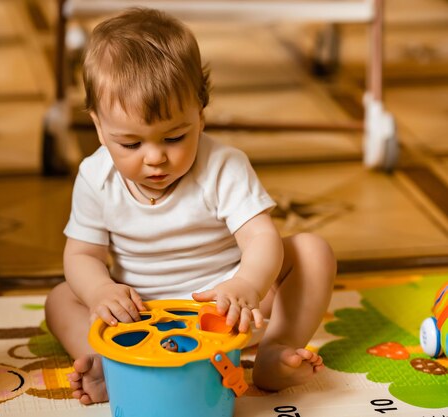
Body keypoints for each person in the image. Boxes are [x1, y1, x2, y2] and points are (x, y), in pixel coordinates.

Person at [45, 7, 336, 405]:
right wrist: (100, 291)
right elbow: (81, 253)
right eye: (130, 144)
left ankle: (273, 351)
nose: (154, 158)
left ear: (200, 117)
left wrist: (246, 284)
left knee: (310, 251)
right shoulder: (96, 176)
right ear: (98, 126)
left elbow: (261, 238)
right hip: (138, 313)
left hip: (225, 309)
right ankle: (108, 364)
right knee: (62, 298)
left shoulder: (223, 166)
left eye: (174, 137)